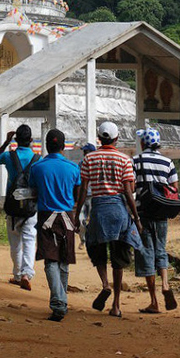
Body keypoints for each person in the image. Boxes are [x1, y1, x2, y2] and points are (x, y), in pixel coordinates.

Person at [74, 121, 143, 319]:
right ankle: (116, 305)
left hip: (98, 209)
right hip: (119, 210)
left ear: (99, 137)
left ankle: (105, 285)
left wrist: (77, 214)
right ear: (116, 138)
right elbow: (129, 192)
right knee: (119, 256)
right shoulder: (124, 160)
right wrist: (136, 218)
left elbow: (83, 190)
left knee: (97, 250)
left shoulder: (89, 159)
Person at [28, 128, 81, 322]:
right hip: (67, 216)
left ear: (46, 146)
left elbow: (34, 191)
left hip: (46, 216)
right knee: (64, 260)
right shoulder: (73, 168)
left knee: (51, 260)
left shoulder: (37, 168)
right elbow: (76, 195)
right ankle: (61, 301)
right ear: (63, 146)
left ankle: (59, 302)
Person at [133, 127, 179, 313]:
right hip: (161, 212)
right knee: (161, 249)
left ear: (143, 143)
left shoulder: (136, 160)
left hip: (143, 213)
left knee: (146, 253)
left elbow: (130, 185)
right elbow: (175, 189)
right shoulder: (168, 162)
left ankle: (154, 301)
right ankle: (166, 284)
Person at [0, 124, 37, 290]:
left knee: (15, 243)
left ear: (16, 139)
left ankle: (17, 275)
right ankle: (27, 273)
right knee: (30, 240)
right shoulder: (37, 159)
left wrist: (5, 142)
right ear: (31, 140)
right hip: (31, 207)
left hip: (12, 205)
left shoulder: (9, 156)